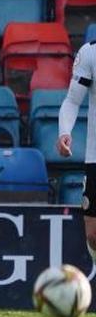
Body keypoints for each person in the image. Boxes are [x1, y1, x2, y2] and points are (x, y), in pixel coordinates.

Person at [57, 38, 96, 272]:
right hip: (95, 156)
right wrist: (64, 132)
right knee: (92, 234)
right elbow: (72, 101)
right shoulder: (90, 53)